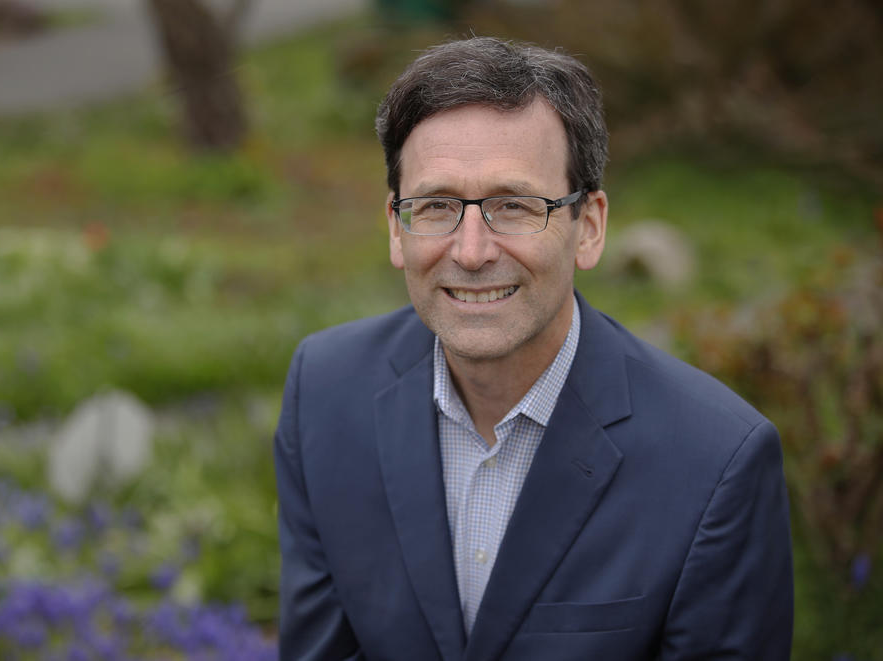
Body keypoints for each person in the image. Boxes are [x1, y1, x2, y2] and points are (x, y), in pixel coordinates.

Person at [273, 36, 793, 661]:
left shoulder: (717, 463)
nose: (471, 252)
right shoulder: (325, 392)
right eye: (436, 206)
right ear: (394, 226)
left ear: (589, 228)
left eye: (513, 206)